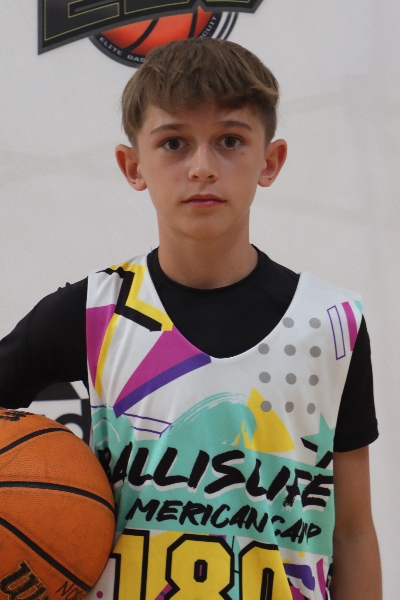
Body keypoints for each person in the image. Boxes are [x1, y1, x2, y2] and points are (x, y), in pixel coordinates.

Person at [0, 38, 381, 600]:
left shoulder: (331, 324)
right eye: (174, 143)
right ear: (133, 166)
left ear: (270, 161)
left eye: (230, 140)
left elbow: (351, 533)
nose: (202, 168)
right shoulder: (95, 310)